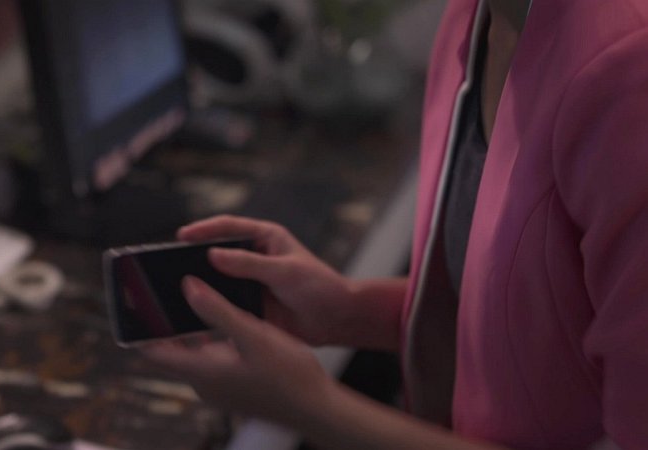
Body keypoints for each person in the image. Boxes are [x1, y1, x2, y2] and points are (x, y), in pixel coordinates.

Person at [144, 0, 648, 448]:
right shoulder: (477, 17)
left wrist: (308, 406)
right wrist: (347, 309)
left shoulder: (630, 72)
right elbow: (545, 319)